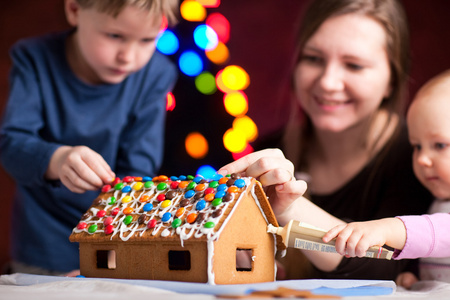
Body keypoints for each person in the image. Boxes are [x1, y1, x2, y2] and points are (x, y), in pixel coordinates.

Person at [219, 0, 433, 284]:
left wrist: (291, 206)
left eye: (354, 65)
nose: (328, 82)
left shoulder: (417, 159)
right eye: (313, 59)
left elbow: (387, 270)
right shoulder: (270, 151)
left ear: (392, 80)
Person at [0, 0, 178, 275]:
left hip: (113, 238)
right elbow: (11, 145)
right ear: (74, 10)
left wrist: (113, 254)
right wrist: (58, 160)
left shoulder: (154, 74)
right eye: (115, 36)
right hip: (43, 244)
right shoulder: (35, 58)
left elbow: (138, 170)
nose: (128, 57)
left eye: (147, 40)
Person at [323, 69, 450, 284]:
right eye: (417, 146)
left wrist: (386, 229)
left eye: (439, 145)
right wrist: (415, 275)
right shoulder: (437, 202)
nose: (422, 159)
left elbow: (438, 232)